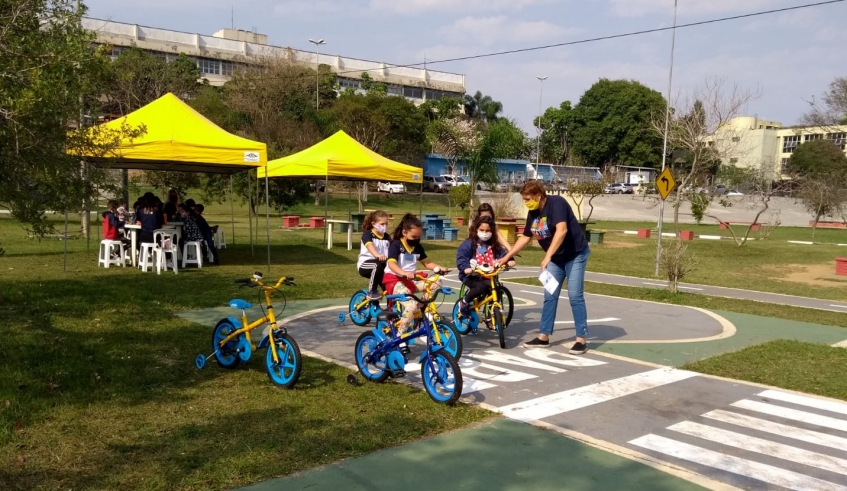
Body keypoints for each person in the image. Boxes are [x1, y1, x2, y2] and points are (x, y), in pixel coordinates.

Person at [499, 181, 590, 354]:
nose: (526, 202)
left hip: (575, 255)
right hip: (555, 259)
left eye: (528, 198)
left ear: (538, 196)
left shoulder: (557, 203)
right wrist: (506, 257)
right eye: (524, 199)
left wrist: (547, 255)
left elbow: (561, 230)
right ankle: (543, 337)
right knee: (550, 295)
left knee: (575, 295)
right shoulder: (533, 213)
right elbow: (526, 237)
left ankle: (581, 339)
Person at [383, 213, 447, 334]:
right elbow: (392, 264)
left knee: (437, 283)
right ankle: (399, 335)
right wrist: (404, 273)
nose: (417, 239)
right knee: (411, 306)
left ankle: (420, 309)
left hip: (410, 281)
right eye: (414, 236)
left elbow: (427, 263)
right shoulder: (396, 245)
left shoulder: (418, 247)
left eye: (419, 237)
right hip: (395, 281)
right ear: (404, 233)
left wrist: (440, 267)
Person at [456, 215, 514, 318]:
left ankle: (491, 316)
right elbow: (461, 257)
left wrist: (509, 260)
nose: (485, 233)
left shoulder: (494, 244)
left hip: (488, 275)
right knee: (480, 287)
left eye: (488, 231)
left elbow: (503, 254)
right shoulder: (469, 244)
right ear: (476, 229)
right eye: (481, 230)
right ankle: (464, 302)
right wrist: (466, 268)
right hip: (472, 276)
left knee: (496, 290)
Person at [357, 210, 391, 300]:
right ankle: (372, 291)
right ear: (373, 223)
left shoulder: (387, 237)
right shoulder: (368, 234)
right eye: (382, 224)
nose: (384, 226)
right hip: (365, 265)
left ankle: (391, 308)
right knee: (377, 264)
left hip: (382, 267)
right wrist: (377, 255)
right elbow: (369, 245)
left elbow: (392, 252)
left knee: (390, 288)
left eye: (386, 224)